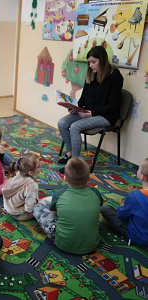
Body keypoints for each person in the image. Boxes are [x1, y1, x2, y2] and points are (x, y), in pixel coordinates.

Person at [57, 46, 124, 174]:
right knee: (62, 123)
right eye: (89, 62)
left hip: (106, 116)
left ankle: (74, 165)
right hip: (88, 113)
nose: (91, 65)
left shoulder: (115, 76)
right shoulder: (92, 74)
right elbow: (83, 98)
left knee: (75, 127)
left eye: (94, 62)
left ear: (103, 60)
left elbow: (113, 105)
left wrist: (92, 113)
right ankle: (70, 154)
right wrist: (75, 108)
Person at [33, 157, 103, 254]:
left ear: (65, 178)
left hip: (63, 244)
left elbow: (53, 213)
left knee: (38, 208)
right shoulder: (96, 192)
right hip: (92, 244)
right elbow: (100, 206)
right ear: (89, 177)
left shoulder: (59, 194)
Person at [100, 158, 148, 246]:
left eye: (139, 169)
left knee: (105, 208)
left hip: (139, 237)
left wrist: (123, 205)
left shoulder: (135, 196)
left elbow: (122, 215)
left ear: (142, 177)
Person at [3, 153, 43, 220]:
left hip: (8, 208)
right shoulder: (32, 186)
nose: (40, 165)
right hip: (19, 214)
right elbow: (29, 208)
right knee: (45, 203)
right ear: (30, 172)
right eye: (38, 165)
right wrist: (36, 201)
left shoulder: (18, 173)